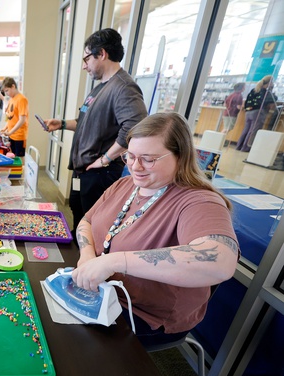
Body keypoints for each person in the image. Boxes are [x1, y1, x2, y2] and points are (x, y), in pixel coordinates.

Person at [70, 112, 238, 347]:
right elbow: (86, 221)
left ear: (180, 157)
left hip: (144, 313)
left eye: (148, 159)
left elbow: (221, 261)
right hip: (104, 290)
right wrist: (88, 257)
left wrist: (113, 261)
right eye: (130, 156)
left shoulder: (199, 200)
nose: (135, 167)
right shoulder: (124, 184)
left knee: (69, 343)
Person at [43, 28, 147, 245]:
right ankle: (77, 258)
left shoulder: (124, 87)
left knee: (93, 224)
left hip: (100, 172)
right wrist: (61, 124)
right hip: (84, 170)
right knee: (78, 212)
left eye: (87, 58)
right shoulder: (99, 89)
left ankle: (89, 266)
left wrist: (105, 159)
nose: (84, 65)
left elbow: (135, 126)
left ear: (102, 54)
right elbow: (85, 122)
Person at [236, 75, 277, 152]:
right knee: (253, 131)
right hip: (258, 112)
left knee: (246, 129)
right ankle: (246, 148)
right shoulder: (265, 92)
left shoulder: (254, 90)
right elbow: (273, 99)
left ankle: (239, 146)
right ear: (269, 83)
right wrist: (272, 90)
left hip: (248, 112)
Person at [0, 77, 29, 157]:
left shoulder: (21, 99)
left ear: (13, 86)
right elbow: (10, 117)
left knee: (19, 159)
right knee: (13, 157)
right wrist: (5, 128)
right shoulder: (11, 99)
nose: (6, 93)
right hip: (11, 135)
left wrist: (10, 132)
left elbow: (22, 120)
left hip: (19, 136)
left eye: (7, 90)